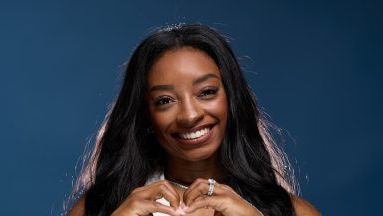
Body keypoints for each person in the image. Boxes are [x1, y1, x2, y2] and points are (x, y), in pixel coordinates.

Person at [68, 24, 320, 216]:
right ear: (145, 114)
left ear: (232, 99)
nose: (189, 116)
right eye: (165, 100)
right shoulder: (98, 208)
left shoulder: (294, 211)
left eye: (207, 92)